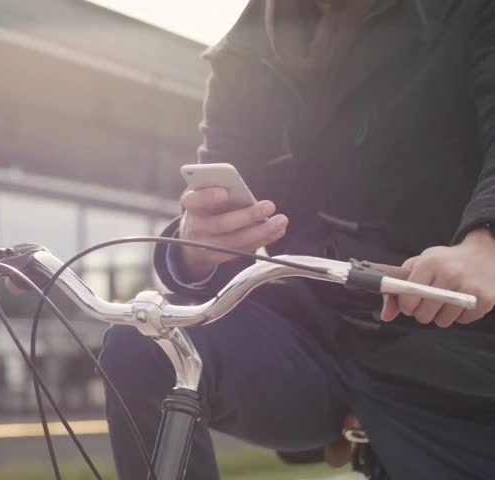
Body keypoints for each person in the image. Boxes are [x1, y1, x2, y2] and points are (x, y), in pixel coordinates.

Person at [99, 1, 495, 479]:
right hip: (316, 339)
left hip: (458, 355)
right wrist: (195, 249)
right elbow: (220, 216)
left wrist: (486, 243)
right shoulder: (246, 48)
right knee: (149, 344)